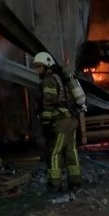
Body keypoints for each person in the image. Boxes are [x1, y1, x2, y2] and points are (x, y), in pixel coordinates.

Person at [31, 51, 81, 192]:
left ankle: (54, 184)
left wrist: (46, 123)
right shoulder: (60, 78)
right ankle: (75, 183)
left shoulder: (48, 81)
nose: (37, 70)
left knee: (54, 152)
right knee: (71, 151)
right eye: (36, 67)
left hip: (60, 122)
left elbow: (48, 103)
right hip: (71, 119)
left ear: (47, 66)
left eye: (39, 67)